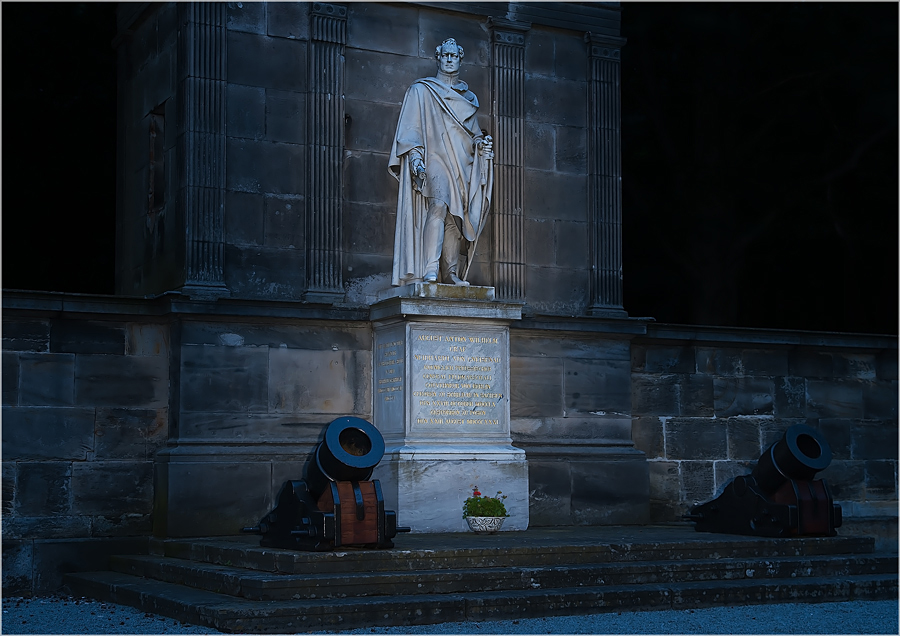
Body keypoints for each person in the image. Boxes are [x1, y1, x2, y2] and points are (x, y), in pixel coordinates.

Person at [388, 38, 494, 287]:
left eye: (453, 56)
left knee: (455, 217)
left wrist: (482, 146)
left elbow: (473, 135)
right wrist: (415, 158)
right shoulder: (421, 90)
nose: (448, 59)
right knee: (439, 204)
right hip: (434, 158)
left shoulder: (468, 98)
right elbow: (410, 130)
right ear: (437, 57)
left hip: (461, 161)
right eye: (444, 55)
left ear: (460, 58)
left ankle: (451, 272)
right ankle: (430, 269)